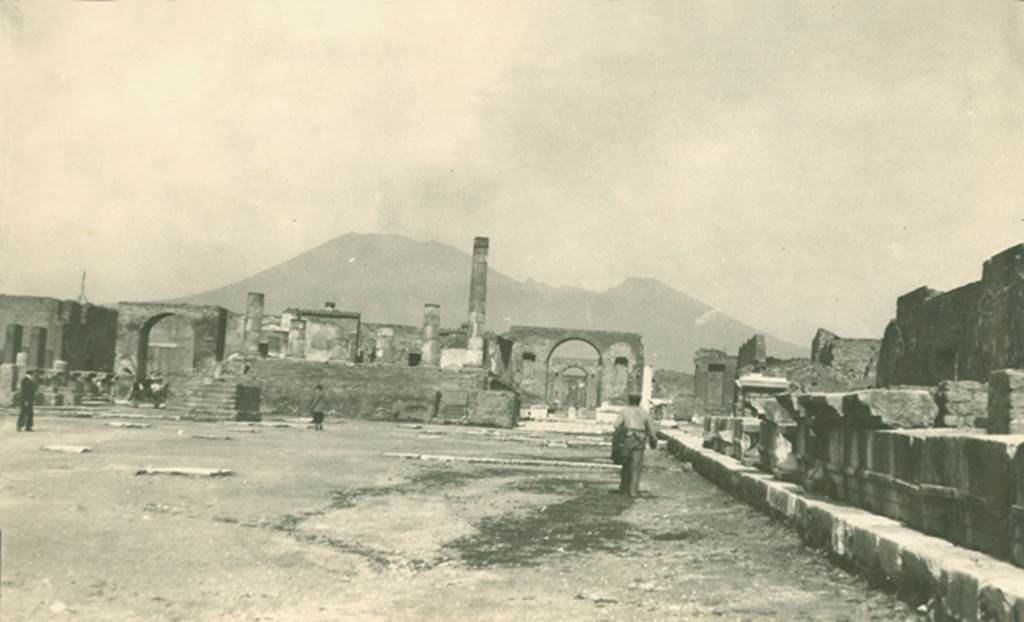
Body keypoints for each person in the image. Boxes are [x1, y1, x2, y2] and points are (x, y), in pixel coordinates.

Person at [612, 404, 659, 497]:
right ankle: (633, 491)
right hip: (640, 440)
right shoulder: (644, 413)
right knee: (636, 466)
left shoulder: (624, 411)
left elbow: (616, 425)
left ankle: (624, 488)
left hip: (627, 439)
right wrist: (654, 440)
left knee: (626, 463)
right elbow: (651, 429)